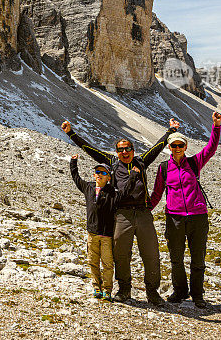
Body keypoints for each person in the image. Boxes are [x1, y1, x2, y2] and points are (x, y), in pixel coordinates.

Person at [61, 118, 179, 305]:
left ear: (133, 150)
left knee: (151, 253)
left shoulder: (141, 162)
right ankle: (124, 290)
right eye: (121, 149)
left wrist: (170, 131)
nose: (124, 152)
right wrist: (70, 133)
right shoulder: (112, 163)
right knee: (121, 253)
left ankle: (152, 292)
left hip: (142, 213)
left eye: (128, 149)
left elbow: (157, 148)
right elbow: (90, 149)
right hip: (122, 214)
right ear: (116, 152)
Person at [150, 111, 221, 308]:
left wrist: (216, 126)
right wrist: (145, 210)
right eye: (174, 145)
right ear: (169, 148)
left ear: (186, 146)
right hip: (174, 218)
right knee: (176, 258)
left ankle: (198, 295)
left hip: (198, 217)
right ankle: (180, 291)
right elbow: (157, 193)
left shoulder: (194, 162)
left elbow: (211, 149)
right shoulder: (164, 168)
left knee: (198, 258)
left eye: (181, 145)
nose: (177, 148)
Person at [69, 154, 141, 301]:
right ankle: (97, 287)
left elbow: (126, 190)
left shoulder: (113, 193)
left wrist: (133, 175)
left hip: (107, 235)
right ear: (94, 175)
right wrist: (73, 162)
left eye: (103, 173)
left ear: (109, 177)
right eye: (97, 172)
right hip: (92, 234)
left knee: (107, 264)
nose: (99, 175)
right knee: (92, 262)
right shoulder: (88, 187)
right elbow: (76, 178)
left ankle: (107, 290)